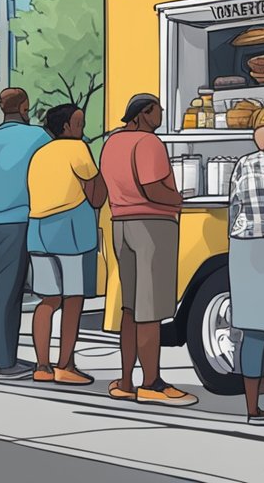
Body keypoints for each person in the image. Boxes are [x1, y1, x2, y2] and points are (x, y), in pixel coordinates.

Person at [99, 93, 195, 406]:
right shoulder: (149, 143)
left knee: (130, 307)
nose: (161, 115)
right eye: (158, 111)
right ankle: (151, 383)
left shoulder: (112, 142)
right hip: (152, 226)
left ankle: (126, 381)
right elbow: (153, 188)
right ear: (143, 113)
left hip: (121, 224)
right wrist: (182, 199)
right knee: (150, 310)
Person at [27, 104, 107, 386]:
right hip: (71, 229)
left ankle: (41, 365)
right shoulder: (77, 149)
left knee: (48, 300)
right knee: (73, 300)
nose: (82, 129)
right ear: (66, 127)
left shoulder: (40, 153)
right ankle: (65, 365)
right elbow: (96, 195)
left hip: (38, 230)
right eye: (79, 123)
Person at [0, 88, 52, 381]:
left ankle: (2, 355)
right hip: (19, 220)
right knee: (10, 295)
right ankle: (6, 364)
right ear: (24, 107)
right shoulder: (39, 137)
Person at [228, 125, 264, 423]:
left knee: (252, 330)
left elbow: (233, 206)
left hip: (242, 245)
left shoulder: (242, 163)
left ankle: (252, 407)